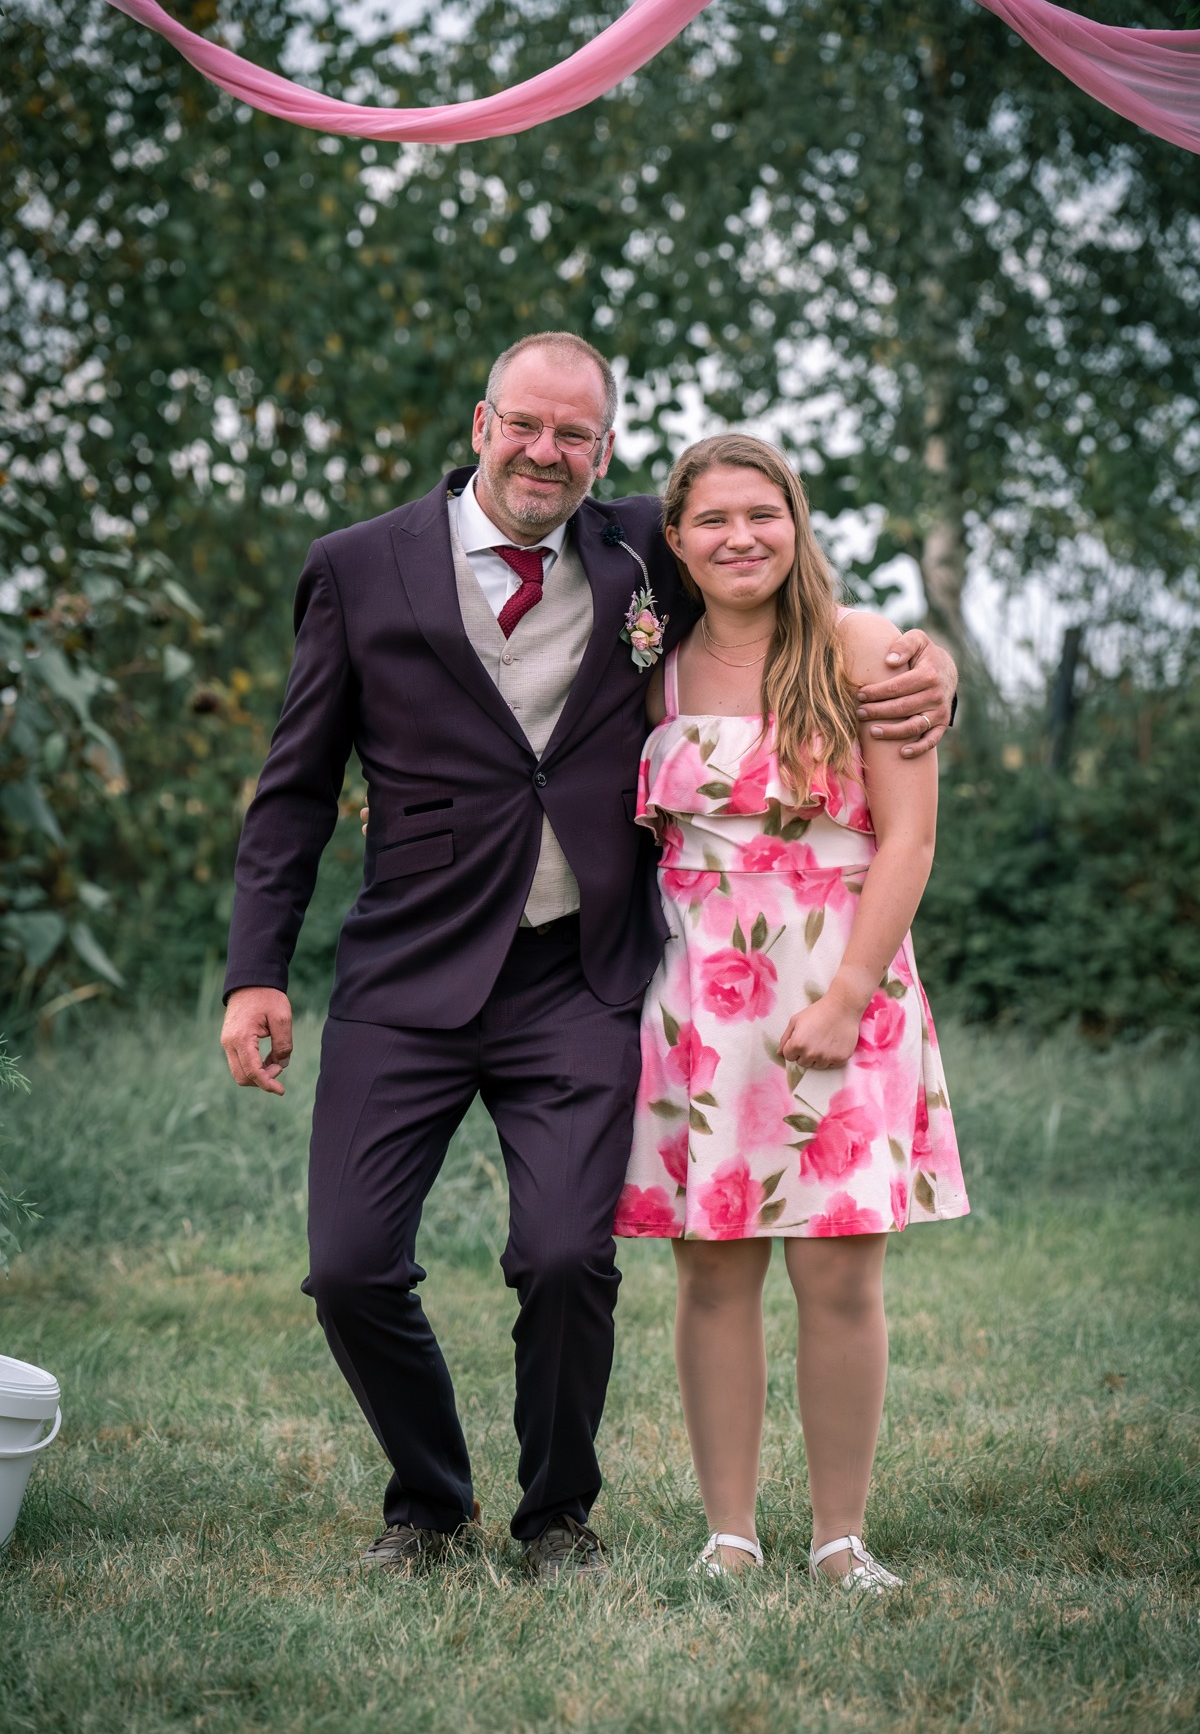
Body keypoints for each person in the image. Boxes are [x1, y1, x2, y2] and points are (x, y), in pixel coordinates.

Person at [219, 334, 958, 1583]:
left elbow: (796, 594)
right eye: (525, 424)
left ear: (605, 451)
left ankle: (558, 1516)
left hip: (583, 974)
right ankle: (430, 1501)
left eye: (575, 434)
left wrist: (932, 664)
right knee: (348, 1268)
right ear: (481, 423)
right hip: (409, 971)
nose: (545, 452)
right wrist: (257, 970)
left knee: (568, 1257)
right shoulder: (357, 565)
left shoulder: (641, 549)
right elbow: (294, 789)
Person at [614, 433, 968, 1590]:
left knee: (838, 1275)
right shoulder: (655, 669)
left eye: (763, 513)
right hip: (699, 1001)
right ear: (675, 538)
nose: (742, 537)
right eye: (713, 519)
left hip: (841, 980)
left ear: (797, 522)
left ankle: (838, 1539)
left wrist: (850, 992)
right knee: (713, 1273)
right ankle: (729, 1536)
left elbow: (909, 837)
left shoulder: (860, 647)